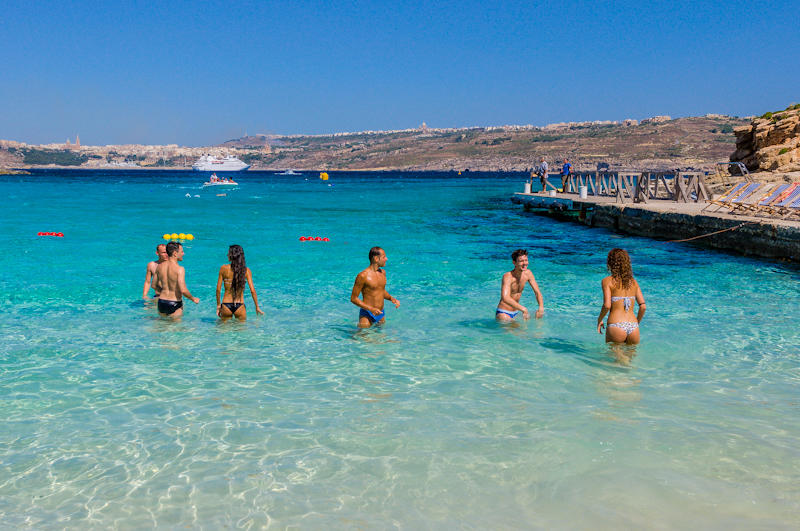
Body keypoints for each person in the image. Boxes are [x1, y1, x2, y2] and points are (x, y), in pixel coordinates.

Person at [597, 248, 646, 344]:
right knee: (628, 359)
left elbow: (607, 305)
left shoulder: (607, 281)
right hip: (633, 327)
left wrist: (599, 320)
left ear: (610, 263)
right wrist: (636, 323)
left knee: (613, 358)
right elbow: (643, 307)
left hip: (616, 325)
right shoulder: (633, 282)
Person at [350, 246, 400, 327]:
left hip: (381, 313)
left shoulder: (383, 273)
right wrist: (371, 309)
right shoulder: (362, 276)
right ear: (376, 258)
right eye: (384, 257)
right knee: (362, 337)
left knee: (381, 338)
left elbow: (381, 291)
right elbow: (353, 298)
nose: (386, 259)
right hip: (367, 314)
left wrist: (391, 298)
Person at [215, 244, 264, 320]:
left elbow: (218, 290)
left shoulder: (223, 268)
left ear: (232, 255)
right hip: (240, 305)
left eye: (229, 253)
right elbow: (253, 291)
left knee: (223, 330)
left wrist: (218, 305)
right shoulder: (246, 271)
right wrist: (257, 307)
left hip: (226, 304)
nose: (227, 255)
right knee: (241, 331)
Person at [496, 249, 544, 321]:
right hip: (504, 313)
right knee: (520, 331)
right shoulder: (508, 276)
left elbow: (537, 292)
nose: (524, 263)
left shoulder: (528, 273)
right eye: (521, 261)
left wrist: (541, 308)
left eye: (526, 260)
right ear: (514, 263)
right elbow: (505, 297)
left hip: (516, 311)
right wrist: (523, 309)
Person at [154, 241, 199, 319]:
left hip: (161, 302)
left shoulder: (159, 266)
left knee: (162, 328)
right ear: (175, 253)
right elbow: (183, 290)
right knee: (177, 330)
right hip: (174, 303)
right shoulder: (180, 269)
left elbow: (154, 285)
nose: (183, 254)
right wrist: (193, 298)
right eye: (182, 251)